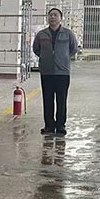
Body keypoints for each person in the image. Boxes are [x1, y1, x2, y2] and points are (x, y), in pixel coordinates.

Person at [32, 8, 79, 136]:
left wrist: (63, 58)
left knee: (61, 100)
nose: (52, 17)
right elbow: (36, 49)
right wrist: (46, 58)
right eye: (50, 15)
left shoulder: (68, 34)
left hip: (62, 72)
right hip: (46, 72)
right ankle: (49, 126)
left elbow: (74, 49)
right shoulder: (41, 34)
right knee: (47, 100)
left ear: (61, 18)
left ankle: (60, 126)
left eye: (55, 15)